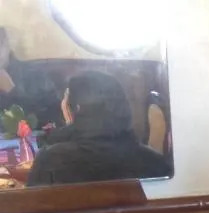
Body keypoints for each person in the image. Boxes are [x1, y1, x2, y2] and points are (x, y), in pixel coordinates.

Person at [26, 70, 170, 186]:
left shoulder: (50, 162)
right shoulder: (156, 163)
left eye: (66, 99)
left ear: (75, 109)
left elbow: (31, 210)